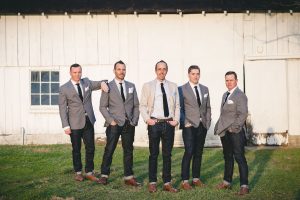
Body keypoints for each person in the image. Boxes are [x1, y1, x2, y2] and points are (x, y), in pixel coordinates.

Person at [58, 63, 109, 182]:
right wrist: (65, 125)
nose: (77, 74)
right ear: (70, 73)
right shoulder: (64, 88)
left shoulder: (86, 82)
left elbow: (98, 83)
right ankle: (78, 172)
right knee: (76, 149)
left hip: (88, 121)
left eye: (79, 72)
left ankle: (89, 172)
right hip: (74, 123)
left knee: (90, 147)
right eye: (75, 72)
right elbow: (62, 108)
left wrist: (102, 83)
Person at [139, 60, 180, 193]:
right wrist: (147, 119)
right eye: (159, 69)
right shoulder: (148, 86)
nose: (161, 71)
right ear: (155, 70)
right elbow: (142, 105)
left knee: (167, 155)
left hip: (169, 124)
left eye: (164, 69)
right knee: (154, 154)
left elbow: (178, 105)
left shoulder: (173, 86)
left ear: (167, 70)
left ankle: (167, 183)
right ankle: (152, 182)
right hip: (154, 124)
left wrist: (176, 120)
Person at [98, 60, 140, 186]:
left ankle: (128, 177)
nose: (121, 72)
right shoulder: (108, 86)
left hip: (129, 124)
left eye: (123, 69)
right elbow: (102, 107)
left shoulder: (131, 85)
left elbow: (136, 105)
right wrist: (111, 121)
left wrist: (134, 121)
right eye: (119, 69)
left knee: (128, 151)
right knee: (109, 149)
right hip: (114, 124)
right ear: (114, 71)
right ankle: (104, 175)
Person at [214, 71, 249, 195]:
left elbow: (243, 114)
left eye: (231, 80)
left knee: (239, 157)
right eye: (227, 80)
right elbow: (224, 114)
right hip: (225, 132)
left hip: (236, 132)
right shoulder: (225, 95)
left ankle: (244, 185)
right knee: (228, 157)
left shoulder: (240, 95)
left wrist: (233, 128)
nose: (229, 82)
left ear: (236, 81)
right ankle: (227, 182)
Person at [179, 65, 211, 190]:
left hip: (202, 126)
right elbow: (179, 108)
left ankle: (196, 179)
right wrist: (185, 122)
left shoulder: (205, 89)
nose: (196, 76)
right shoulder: (182, 89)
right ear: (188, 75)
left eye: (197, 73)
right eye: (193, 74)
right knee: (189, 152)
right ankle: (185, 180)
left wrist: (207, 122)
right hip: (189, 126)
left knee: (199, 153)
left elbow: (208, 107)